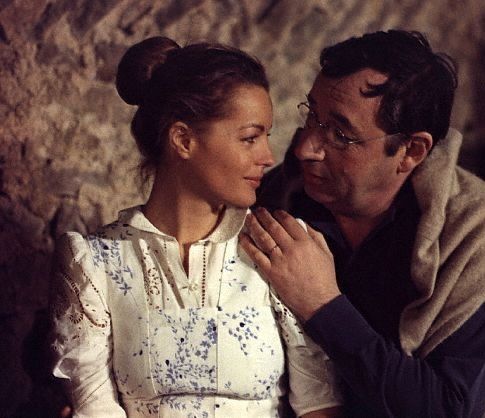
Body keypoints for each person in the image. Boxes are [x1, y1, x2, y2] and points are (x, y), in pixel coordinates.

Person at [50, 37, 342, 417]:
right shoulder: (94, 262)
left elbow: (320, 406)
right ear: (183, 140)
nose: (267, 157)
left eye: (266, 138)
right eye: (249, 138)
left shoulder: (280, 247)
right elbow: (95, 408)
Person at [240, 30, 485, 417]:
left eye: (340, 135)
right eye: (312, 116)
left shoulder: (471, 237)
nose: (305, 148)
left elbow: (450, 408)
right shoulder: (278, 195)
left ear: (411, 151)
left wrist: (322, 304)